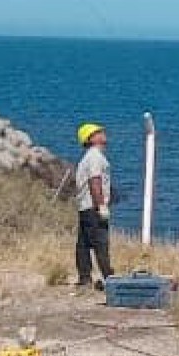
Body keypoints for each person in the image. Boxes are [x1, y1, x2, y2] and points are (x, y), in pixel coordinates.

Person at [72, 122, 114, 291]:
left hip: (84, 206)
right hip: (93, 207)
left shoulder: (87, 157)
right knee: (100, 242)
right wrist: (101, 206)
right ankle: (109, 278)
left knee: (82, 244)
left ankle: (84, 278)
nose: (103, 133)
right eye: (98, 132)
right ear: (91, 138)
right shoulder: (95, 157)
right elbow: (95, 181)